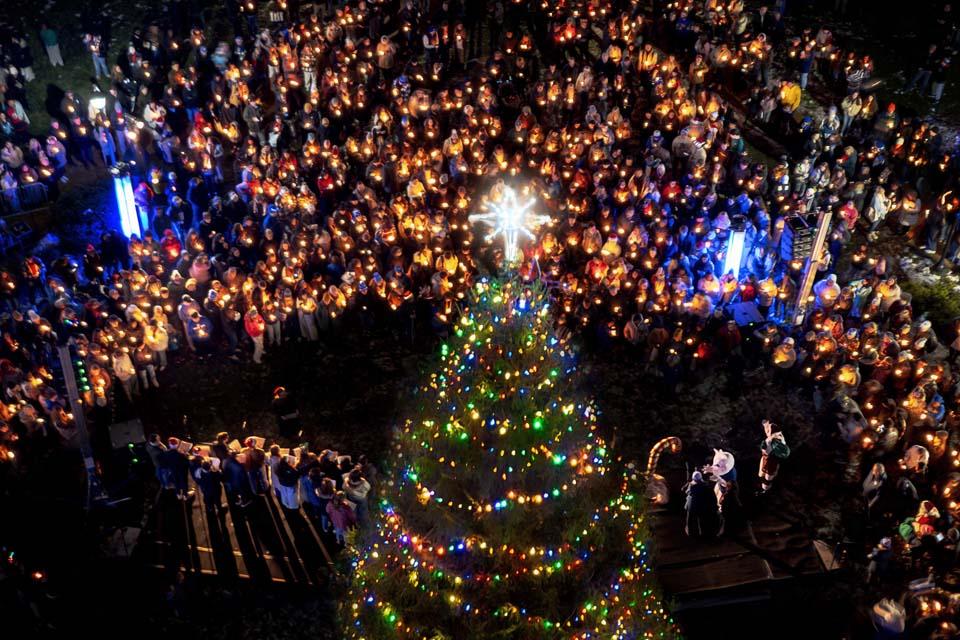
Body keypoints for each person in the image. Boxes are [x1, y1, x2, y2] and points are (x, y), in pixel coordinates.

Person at [758, 420, 790, 494]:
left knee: (766, 480)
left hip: (770, 459)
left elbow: (767, 444)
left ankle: (766, 489)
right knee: (763, 477)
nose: (766, 431)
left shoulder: (771, 442)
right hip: (770, 458)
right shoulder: (778, 440)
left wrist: (772, 435)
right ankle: (765, 488)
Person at [684, 471, 716, 537]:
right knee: (701, 520)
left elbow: (687, 492)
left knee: (689, 519)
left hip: (691, 505)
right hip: (701, 505)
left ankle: (689, 532)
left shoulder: (691, 485)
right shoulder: (705, 485)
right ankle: (702, 533)